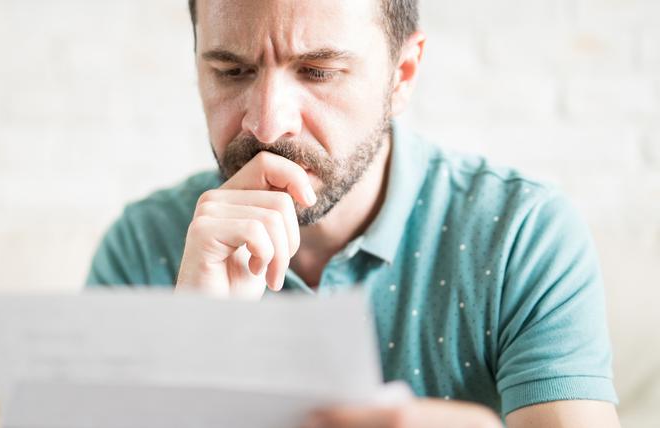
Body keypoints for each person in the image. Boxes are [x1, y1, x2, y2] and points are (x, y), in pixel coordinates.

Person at [86, 0, 620, 426]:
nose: (268, 126)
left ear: (402, 74)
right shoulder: (143, 245)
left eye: (318, 72)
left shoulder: (520, 235)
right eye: (231, 71)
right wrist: (190, 344)